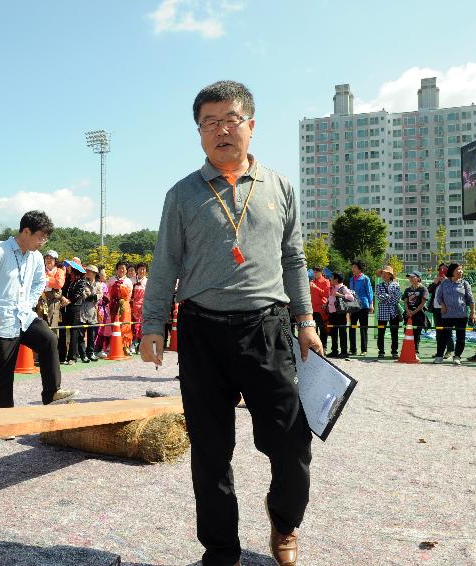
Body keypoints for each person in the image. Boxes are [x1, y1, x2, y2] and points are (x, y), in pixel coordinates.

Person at [140, 81, 320, 566]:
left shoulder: (280, 187)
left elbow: (294, 258)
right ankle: (220, 550)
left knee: (290, 441)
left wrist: (305, 318)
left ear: (252, 126)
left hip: (268, 328)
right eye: (209, 123)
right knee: (211, 450)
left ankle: (285, 521)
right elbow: (165, 263)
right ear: (198, 132)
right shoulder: (181, 194)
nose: (221, 130)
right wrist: (153, 324)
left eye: (231, 120)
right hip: (201, 332)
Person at [0, 211, 78, 408]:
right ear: (26, 231)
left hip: (25, 316)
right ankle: (4, 420)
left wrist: (28, 304)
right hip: (0, 319)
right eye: (40, 236)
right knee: (4, 373)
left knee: (49, 339)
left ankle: (52, 393)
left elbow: (40, 282)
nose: (43, 241)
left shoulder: (35, 257)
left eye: (46, 237)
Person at [434, 263, 476, 365]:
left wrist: (473, 313)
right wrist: (443, 305)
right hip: (447, 315)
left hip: (461, 315)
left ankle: (457, 356)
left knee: (460, 337)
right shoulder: (444, 283)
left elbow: (471, 299)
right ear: (452, 271)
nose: (461, 271)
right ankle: (439, 356)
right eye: (458, 269)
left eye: (462, 269)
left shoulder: (465, 283)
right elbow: (438, 297)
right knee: (443, 336)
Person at [375, 265, 402, 359]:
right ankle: (381, 351)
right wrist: (390, 296)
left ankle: (394, 351)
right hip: (382, 312)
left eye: (386, 273)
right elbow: (379, 297)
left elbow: (398, 297)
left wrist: (386, 297)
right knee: (381, 333)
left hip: (393, 312)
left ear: (390, 275)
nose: (384, 275)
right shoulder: (379, 286)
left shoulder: (396, 285)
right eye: (383, 273)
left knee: (394, 333)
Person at [348, 259, 373, 356]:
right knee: (352, 327)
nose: (352, 269)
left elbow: (369, 291)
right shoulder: (351, 279)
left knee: (363, 327)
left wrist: (371, 304)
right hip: (353, 305)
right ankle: (353, 349)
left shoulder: (365, 278)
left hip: (363, 305)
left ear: (359, 268)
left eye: (354, 267)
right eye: (352, 267)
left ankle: (364, 349)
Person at [428, 263, 454, 357]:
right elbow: (429, 291)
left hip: (447, 310)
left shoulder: (451, 281)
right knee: (438, 331)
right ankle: (440, 351)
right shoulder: (437, 281)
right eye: (440, 269)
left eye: (444, 269)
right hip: (436, 309)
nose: (441, 271)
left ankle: (450, 350)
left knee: (447, 330)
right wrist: (434, 283)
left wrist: (446, 281)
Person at [108, 262, 133, 356]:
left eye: (123, 268)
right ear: (116, 269)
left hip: (124, 304)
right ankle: (115, 345)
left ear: (126, 270)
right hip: (114, 304)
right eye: (119, 268)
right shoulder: (111, 280)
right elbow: (108, 292)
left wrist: (124, 302)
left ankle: (126, 346)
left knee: (125, 325)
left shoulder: (129, 281)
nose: (121, 270)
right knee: (114, 324)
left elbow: (130, 295)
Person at [326, 272, 353, 359]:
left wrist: (339, 295)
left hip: (340, 313)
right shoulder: (332, 287)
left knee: (342, 332)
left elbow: (351, 298)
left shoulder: (342, 287)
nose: (330, 279)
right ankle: (334, 351)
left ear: (336, 280)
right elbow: (331, 298)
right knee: (333, 332)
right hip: (332, 313)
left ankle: (344, 352)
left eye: (332, 277)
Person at [37, 250, 65, 330]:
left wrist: (46, 280)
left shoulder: (60, 271)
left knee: (52, 326)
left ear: (55, 261)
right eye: (47, 258)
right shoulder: (40, 270)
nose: (48, 260)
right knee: (40, 324)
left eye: (51, 258)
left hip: (54, 301)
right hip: (40, 300)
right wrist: (51, 280)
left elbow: (59, 284)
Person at [402, 271, 428, 358]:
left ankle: (416, 352)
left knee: (416, 334)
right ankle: (407, 350)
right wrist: (408, 311)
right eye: (410, 277)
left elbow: (422, 304)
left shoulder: (423, 289)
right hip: (408, 314)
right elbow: (405, 302)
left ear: (418, 278)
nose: (411, 279)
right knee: (407, 332)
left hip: (419, 314)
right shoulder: (407, 290)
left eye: (413, 277)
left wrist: (414, 312)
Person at [308, 266, 330, 351]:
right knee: (313, 329)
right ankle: (314, 347)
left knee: (323, 329)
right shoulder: (313, 281)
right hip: (312, 308)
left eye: (316, 272)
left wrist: (316, 288)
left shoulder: (326, 281)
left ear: (321, 272)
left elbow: (326, 294)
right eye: (314, 272)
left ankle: (323, 347)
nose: (315, 273)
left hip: (321, 309)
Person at [129, 262, 148, 354]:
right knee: (131, 326)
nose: (142, 271)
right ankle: (132, 344)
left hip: (142, 307)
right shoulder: (131, 280)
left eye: (144, 269)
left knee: (140, 327)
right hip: (131, 307)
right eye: (140, 269)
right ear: (137, 270)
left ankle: (140, 345)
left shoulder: (148, 282)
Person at [95, 267, 111, 357]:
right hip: (98, 308)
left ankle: (101, 348)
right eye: (104, 274)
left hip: (104, 309)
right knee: (98, 330)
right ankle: (96, 349)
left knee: (103, 330)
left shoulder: (104, 284)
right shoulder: (97, 284)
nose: (105, 275)